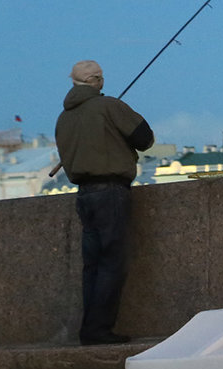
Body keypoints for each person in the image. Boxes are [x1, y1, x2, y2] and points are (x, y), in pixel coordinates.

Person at [54, 60, 154, 345]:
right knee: (112, 262)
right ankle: (98, 330)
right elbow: (144, 138)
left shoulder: (63, 118)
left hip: (84, 195)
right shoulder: (109, 106)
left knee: (93, 266)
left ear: (73, 83)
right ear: (97, 80)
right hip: (111, 191)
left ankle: (89, 329)